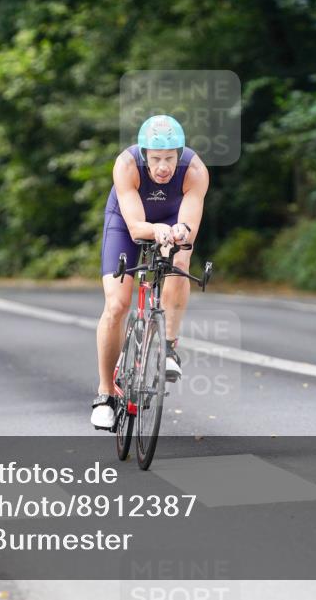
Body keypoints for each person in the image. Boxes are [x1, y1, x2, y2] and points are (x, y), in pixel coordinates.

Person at [91, 115, 209, 430]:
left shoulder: (195, 171)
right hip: (128, 221)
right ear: (144, 154)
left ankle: (168, 344)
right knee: (117, 304)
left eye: (170, 158)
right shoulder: (126, 165)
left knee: (180, 261)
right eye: (155, 159)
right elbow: (135, 227)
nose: (163, 167)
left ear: (180, 154)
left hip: (171, 218)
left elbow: (189, 225)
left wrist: (180, 233)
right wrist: (156, 230)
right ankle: (105, 393)